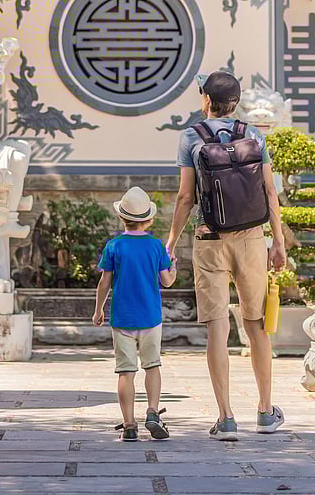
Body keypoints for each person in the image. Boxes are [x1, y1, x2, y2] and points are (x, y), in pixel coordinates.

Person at [165, 71, 287, 442]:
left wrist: (170, 244)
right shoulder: (254, 135)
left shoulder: (191, 137)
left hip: (210, 239)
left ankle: (226, 418)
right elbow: (269, 192)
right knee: (256, 325)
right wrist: (277, 242)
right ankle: (265, 412)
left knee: (218, 326)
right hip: (252, 239)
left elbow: (186, 198)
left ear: (206, 100)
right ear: (236, 102)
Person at [93, 187, 178, 442]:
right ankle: (152, 412)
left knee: (126, 372)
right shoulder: (155, 246)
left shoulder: (114, 246)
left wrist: (98, 309)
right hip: (150, 318)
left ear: (122, 218)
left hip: (121, 319)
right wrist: (172, 266)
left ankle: (129, 425)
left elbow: (104, 283)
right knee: (152, 366)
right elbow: (167, 281)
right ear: (149, 219)